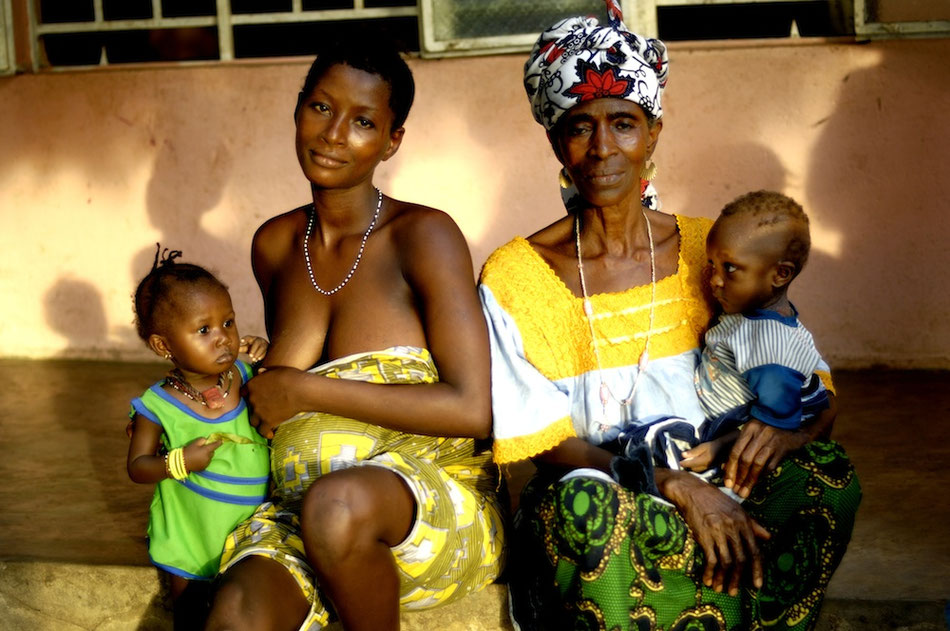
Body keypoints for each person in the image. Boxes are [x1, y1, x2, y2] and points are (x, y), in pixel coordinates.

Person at [478, 2, 861, 629]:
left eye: (623, 123)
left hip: (723, 483)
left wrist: (781, 438)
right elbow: (545, 445)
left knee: (828, 476)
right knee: (580, 509)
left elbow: (816, 388)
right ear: (555, 140)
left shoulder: (714, 252)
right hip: (611, 493)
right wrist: (675, 485)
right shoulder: (517, 276)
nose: (603, 148)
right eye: (580, 126)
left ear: (653, 132)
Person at [204, 39, 505, 631]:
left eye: (363, 121)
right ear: (297, 110)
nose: (334, 134)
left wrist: (308, 393)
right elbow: (276, 395)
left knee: (337, 507)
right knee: (237, 610)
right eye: (321, 108)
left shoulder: (423, 236)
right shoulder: (275, 245)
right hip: (301, 514)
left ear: (392, 140)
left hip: (432, 508)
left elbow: (474, 410)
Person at [127, 246, 270, 630]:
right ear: (163, 345)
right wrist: (180, 462)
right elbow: (138, 467)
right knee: (190, 615)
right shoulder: (158, 406)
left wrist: (266, 352)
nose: (223, 338)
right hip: (192, 536)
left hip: (254, 531)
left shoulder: (243, 374)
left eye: (228, 323)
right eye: (204, 330)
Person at [682, 190, 833, 479]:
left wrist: (718, 448)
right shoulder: (749, 316)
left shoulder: (767, 345)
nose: (713, 279)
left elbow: (774, 427)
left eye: (730, 268)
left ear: (780, 275)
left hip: (726, 441)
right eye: (712, 264)